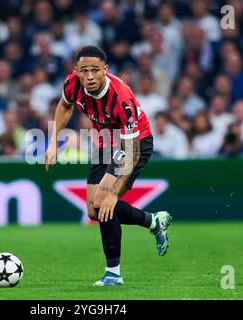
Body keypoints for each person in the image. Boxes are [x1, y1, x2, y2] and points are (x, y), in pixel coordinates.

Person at [45, 46, 172, 286]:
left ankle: (113, 274)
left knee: (105, 203)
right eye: (85, 71)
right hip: (104, 141)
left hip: (134, 144)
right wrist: (53, 142)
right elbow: (65, 106)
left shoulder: (120, 98)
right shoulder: (72, 83)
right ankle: (154, 221)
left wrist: (114, 193)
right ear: (76, 71)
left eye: (95, 70)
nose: (90, 76)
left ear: (106, 70)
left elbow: (132, 151)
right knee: (93, 211)